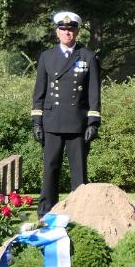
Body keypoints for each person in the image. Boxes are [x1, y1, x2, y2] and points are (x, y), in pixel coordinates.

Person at [31, 11, 101, 217]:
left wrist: (93, 122)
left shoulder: (88, 56)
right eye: (63, 29)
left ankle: (80, 212)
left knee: (79, 171)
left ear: (77, 32)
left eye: (71, 29)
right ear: (57, 32)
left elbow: (94, 92)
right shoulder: (47, 56)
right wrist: (37, 122)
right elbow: (39, 91)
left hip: (77, 123)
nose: (67, 33)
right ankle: (46, 211)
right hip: (52, 121)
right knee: (50, 168)